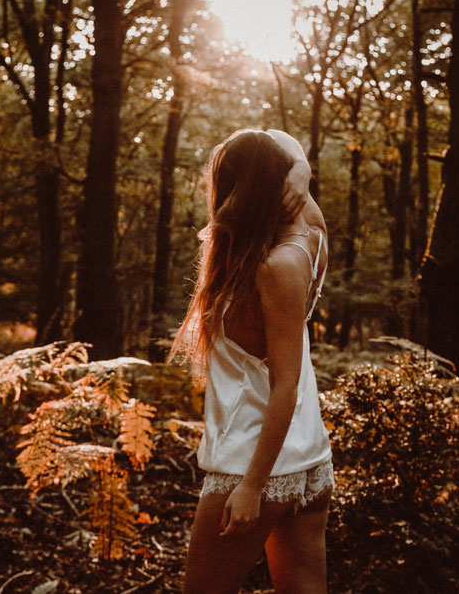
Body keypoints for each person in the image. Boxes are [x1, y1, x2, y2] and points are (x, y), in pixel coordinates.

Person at [171, 128, 333, 593]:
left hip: (254, 463)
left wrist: (250, 487)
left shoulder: (272, 267)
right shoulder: (311, 238)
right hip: (309, 462)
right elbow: (276, 139)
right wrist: (300, 166)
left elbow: (286, 383)